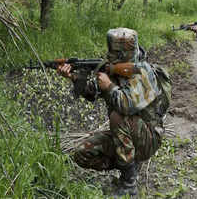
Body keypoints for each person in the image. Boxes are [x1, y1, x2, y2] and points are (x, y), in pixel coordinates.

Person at [57, 28, 171, 197]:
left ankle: (129, 183)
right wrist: (73, 77)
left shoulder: (143, 72)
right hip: (128, 136)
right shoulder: (112, 68)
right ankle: (129, 164)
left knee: (117, 117)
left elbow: (126, 106)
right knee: (82, 153)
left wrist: (109, 86)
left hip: (149, 138)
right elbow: (91, 93)